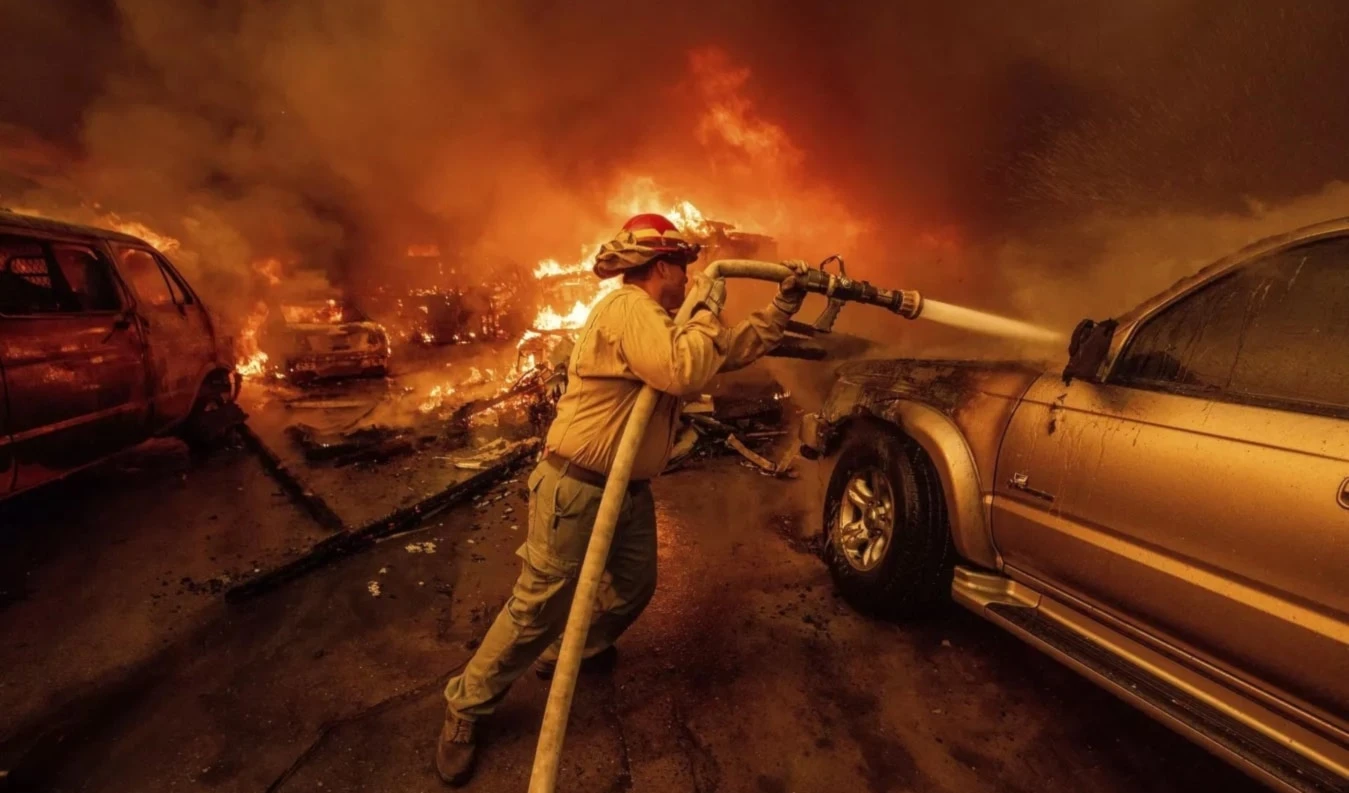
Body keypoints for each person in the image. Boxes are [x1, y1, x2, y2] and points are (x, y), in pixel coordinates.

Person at [435, 213, 808, 785]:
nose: (689, 280)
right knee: (537, 609)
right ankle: (465, 707)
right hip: (577, 489)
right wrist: (708, 303)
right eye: (684, 271)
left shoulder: (658, 320)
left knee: (635, 585)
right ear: (661, 267)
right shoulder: (627, 308)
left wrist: (780, 309)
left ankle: (577, 648)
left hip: (623, 491)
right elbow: (683, 370)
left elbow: (722, 351)